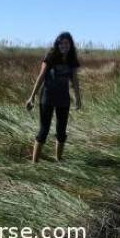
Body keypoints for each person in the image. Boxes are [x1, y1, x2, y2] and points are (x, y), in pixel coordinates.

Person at [26, 32, 81, 163]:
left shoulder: (72, 59)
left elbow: (75, 81)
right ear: (57, 44)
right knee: (43, 130)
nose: (64, 46)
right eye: (61, 43)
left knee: (61, 132)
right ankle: (34, 163)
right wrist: (32, 97)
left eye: (66, 43)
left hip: (63, 99)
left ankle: (58, 160)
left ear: (70, 45)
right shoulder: (50, 57)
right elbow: (41, 77)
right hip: (48, 98)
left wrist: (78, 98)